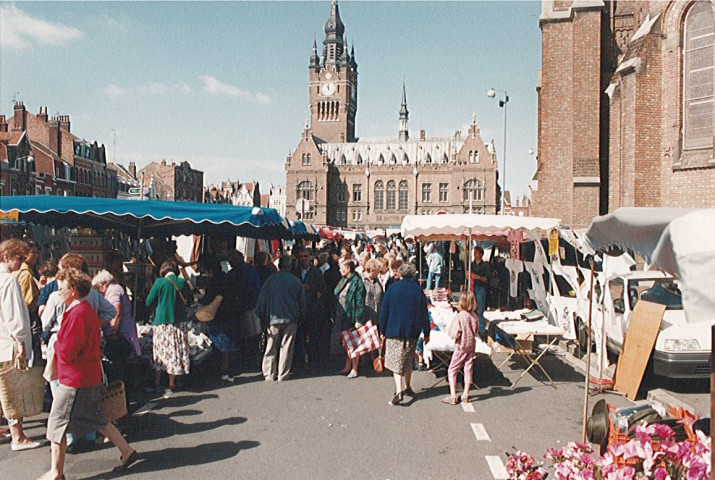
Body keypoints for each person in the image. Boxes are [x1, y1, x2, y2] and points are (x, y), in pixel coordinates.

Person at [38, 268, 138, 480]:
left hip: (74, 378)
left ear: (73, 290)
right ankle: (126, 451)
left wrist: (56, 344)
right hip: (87, 375)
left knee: (56, 423)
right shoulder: (85, 310)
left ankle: (56, 472)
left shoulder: (77, 313)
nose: (59, 292)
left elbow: (70, 351)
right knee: (95, 418)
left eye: (62, 288)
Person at [0, 239, 41, 451]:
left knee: (3, 389)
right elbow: (13, 313)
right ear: (7, 256)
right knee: (13, 389)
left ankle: (11, 431)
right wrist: (20, 340)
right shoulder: (8, 280)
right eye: (18, 257)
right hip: (8, 342)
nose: (21, 262)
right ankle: (18, 435)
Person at [379, 263, 430, 406]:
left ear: (400, 274)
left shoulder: (392, 288)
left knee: (395, 362)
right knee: (408, 358)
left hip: (394, 329)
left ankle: (399, 390)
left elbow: (384, 312)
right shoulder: (418, 290)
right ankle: (408, 386)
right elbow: (424, 313)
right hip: (412, 330)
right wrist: (426, 332)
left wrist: (382, 330)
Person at [256, 256, 306, 381]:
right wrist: (301, 316)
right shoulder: (296, 281)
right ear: (290, 266)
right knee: (287, 347)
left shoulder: (270, 280)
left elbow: (262, 299)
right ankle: (283, 373)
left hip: (273, 317)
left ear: (279, 266)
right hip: (291, 318)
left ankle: (269, 373)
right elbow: (302, 302)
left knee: (270, 346)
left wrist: (261, 316)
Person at [145, 260, 192, 395]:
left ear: (162, 270)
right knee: (174, 351)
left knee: (161, 352)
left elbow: (149, 301)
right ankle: (172, 383)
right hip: (178, 323)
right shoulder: (182, 282)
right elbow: (190, 300)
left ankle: (157, 381)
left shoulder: (159, 283)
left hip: (162, 323)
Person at [91, 270, 141, 385]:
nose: (99, 291)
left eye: (99, 287)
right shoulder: (115, 289)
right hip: (121, 332)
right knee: (120, 368)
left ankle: (122, 396)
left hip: (119, 334)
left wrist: (113, 331)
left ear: (104, 284)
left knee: (118, 368)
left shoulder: (113, 290)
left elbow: (116, 311)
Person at [197, 255, 238, 380]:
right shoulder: (228, 278)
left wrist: (200, 298)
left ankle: (222, 367)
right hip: (230, 312)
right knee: (228, 340)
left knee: (219, 340)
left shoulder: (214, 281)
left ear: (210, 271)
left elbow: (208, 298)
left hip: (218, 315)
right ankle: (228, 366)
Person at [292, 247, 327, 374]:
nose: (303, 259)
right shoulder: (294, 272)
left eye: (305, 256)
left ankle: (314, 364)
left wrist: (309, 289)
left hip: (312, 309)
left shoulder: (316, 272)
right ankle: (298, 363)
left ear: (310, 257)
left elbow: (322, 291)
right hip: (298, 310)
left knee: (314, 338)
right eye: (300, 257)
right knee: (297, 338)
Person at [443, 291, 479, 405]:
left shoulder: (460, 316)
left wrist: (452, 335)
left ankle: (453, 395)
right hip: (471, 344)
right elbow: (477, 330)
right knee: (468, 368)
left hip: (461, 345)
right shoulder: (474, 316)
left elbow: (455, 332)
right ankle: (466, 394)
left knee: (452, 369)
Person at [333, 259, 366, 378]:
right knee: (346, 342)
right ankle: (347, 366)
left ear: (348, 268)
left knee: (353, 342)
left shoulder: (357, 282)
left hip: (351, 316)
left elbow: (359, 301)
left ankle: (355, 369)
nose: (340, 270)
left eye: (342, 268)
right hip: (342, 315)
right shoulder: (344, 280)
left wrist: (358, 319)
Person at [13, 239, 41, 367]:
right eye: (32, 252)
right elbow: (26, 301)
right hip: (29, 319)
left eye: (36, 252)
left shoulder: (23, 272)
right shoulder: (26, 275)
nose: (35, 256)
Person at [470, 246, 490, 339]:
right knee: (472, 308)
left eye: (476, 252)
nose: (474, 254)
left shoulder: (485, 266)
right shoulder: (471, 264)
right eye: (474, 252)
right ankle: (473, 327)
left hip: (480, 287)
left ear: (481, 254)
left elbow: (487, 279)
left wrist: (477, 277)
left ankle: (482, 329)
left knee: (480, 309)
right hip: (472, 287)